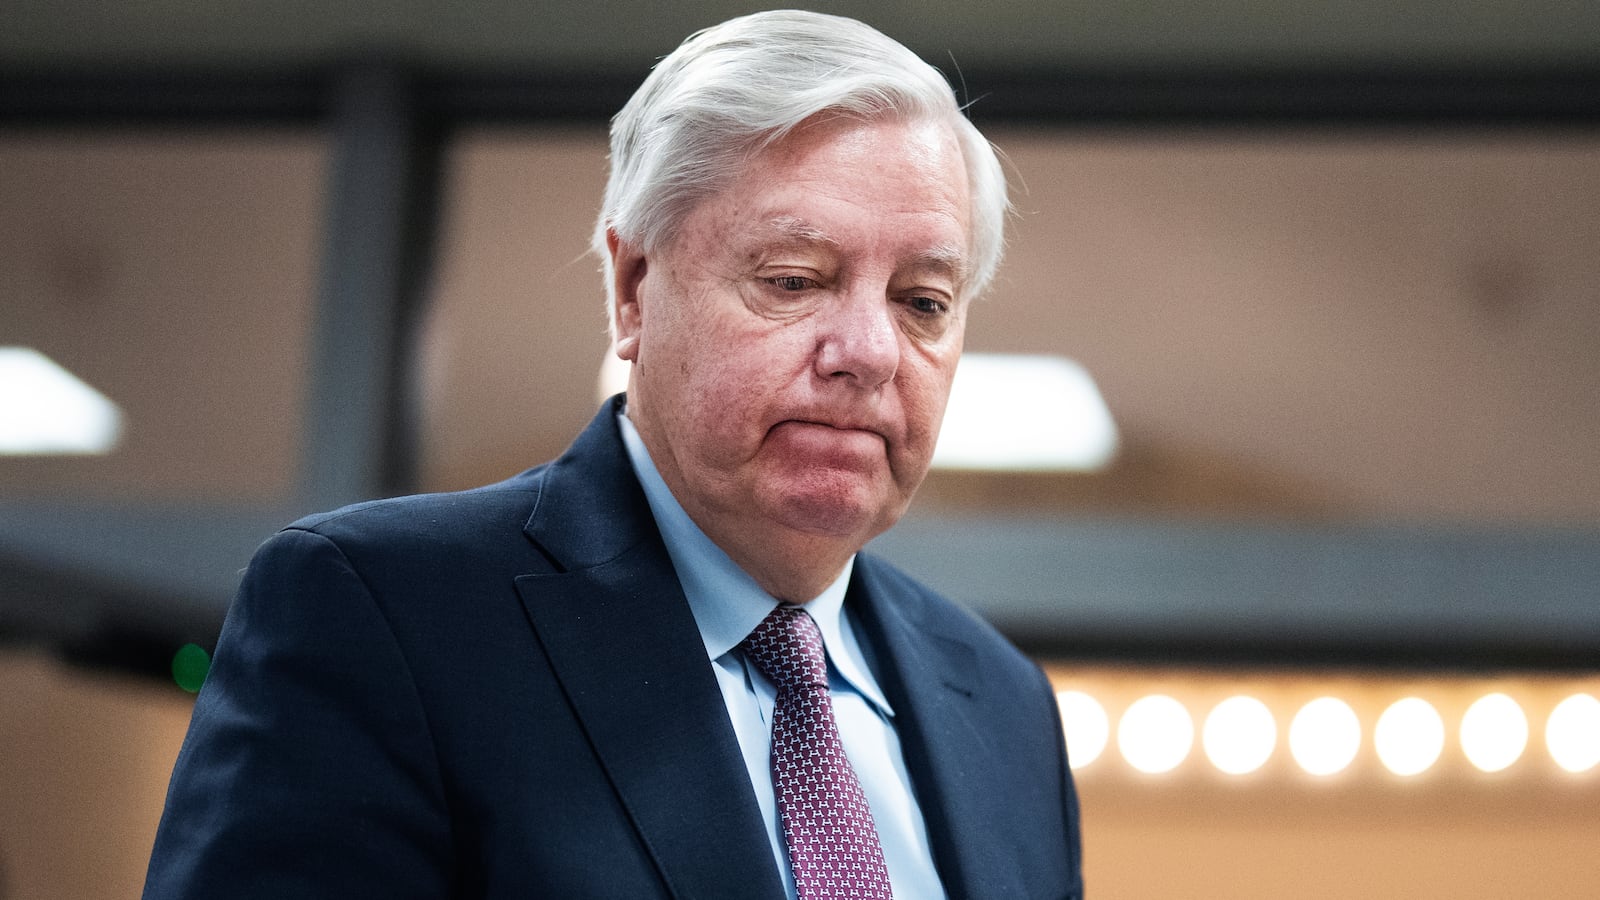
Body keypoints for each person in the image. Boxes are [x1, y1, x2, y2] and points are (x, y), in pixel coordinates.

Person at [143, 10, 1082, 900]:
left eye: (922, 302)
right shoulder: (381, 617)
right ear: (634, 291)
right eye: (795, 280)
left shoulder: (1002, 704)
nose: (871, 352)